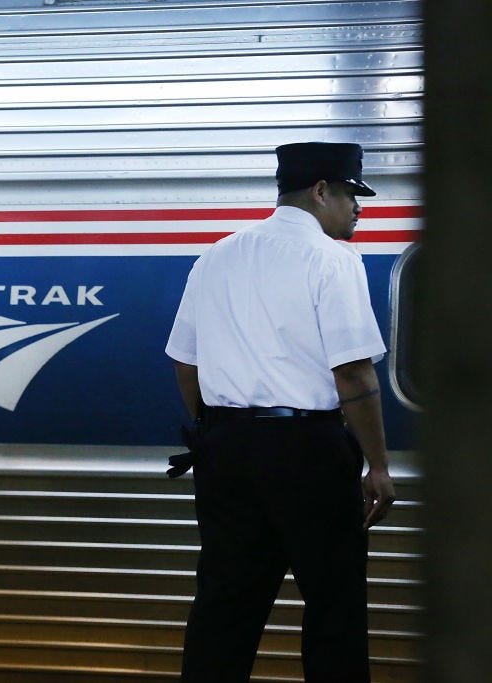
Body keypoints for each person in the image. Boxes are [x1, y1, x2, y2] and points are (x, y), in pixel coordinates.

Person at [164, 141, 397, 682]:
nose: (358, 208)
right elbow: (354, 373)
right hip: (307, 451)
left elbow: (184, 362)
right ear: (320, 192)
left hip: (224, 452)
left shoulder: (216, 255)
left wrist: (215, 429)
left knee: (224, 609)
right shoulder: (332, 258)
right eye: (349, 195)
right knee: (334, 608)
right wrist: (378, 465)